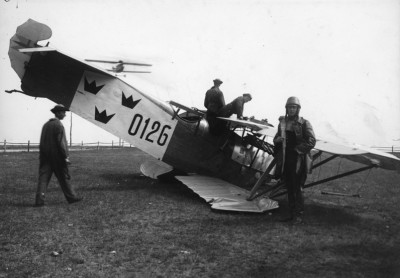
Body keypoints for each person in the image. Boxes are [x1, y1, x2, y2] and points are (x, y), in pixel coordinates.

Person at [273, 97, 316, 224]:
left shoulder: (304, 123)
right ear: (286, 108)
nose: (291, 109)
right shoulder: (282, 123)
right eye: (289, 107)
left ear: (297, 109)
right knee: (289, 186)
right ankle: (291, 214)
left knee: (297, 187)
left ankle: (298, 216)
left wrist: (298, 150)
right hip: (286, 159)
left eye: (294, 107)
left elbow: (312, 141)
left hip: (299, 159)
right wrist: (277, 141)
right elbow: (276, 139)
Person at [35, 104, 82, 206]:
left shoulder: (45, 125)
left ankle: (39, 201)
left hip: (45, 157)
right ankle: (72, 198)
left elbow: (42, 142)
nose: (65, 115)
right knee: (64, 178)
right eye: (63, 112)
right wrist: (66, 157)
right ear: (58, 113)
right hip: (57, 159)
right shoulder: (59, 125)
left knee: (43, 179)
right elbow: (62, 143)